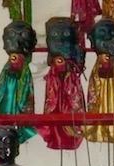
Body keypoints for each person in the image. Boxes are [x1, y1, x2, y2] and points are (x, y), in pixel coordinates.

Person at [37, 17, 86, 150]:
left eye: (66, 35)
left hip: (70, 83)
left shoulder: (73, 59)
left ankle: (71, 133)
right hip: (55, 84)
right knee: (54, 107)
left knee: (71, 109)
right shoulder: (52, 66)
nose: (60, 41)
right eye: (54, 35)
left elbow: (79, 67)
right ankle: (56, 135)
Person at [84, 18, 114, 143]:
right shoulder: (98, 65)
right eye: (102, 34)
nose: (108, 37)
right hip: (101, 78)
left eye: (113, 34)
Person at [0, 20, 37, 143]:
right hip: (8, 87)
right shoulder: (8, 67)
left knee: (21, 95)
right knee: (7, 94)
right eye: (11, 36)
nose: (17, 42)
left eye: (24, 36)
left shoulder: (25, 70)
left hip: (19, 85)